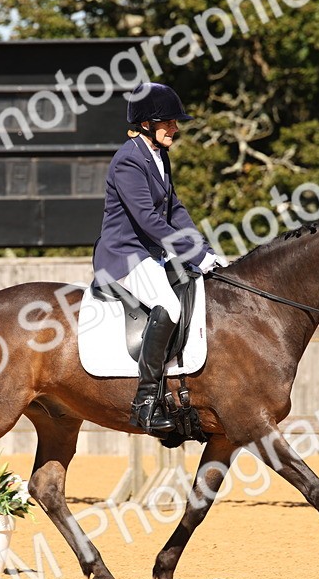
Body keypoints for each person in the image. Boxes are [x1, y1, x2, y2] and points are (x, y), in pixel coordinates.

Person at [92, 82, 226, 435]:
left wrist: (205, 251)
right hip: (123, 255)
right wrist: (193, 253)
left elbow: (174, 211)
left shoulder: (158, 155)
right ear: (147, 123)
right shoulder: (128, 160)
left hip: (150, 254)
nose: (175, 128)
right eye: (168, 122)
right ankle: (146, 403)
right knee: (170, 304)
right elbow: (148, 220)